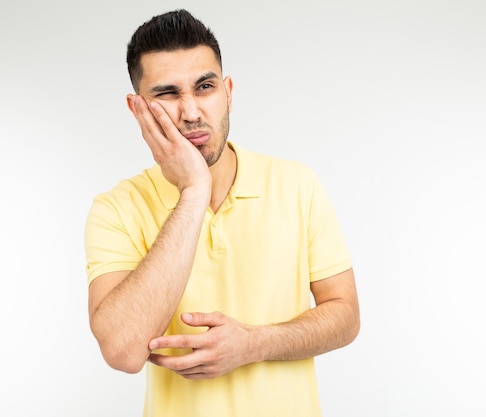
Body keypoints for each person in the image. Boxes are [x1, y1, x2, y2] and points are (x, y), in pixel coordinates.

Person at [84, 8, 360, 417]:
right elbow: (123, 350)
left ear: (228, 90)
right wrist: (193, 191)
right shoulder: (116, 208)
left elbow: (346, 315)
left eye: (205, 87)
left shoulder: (297, 184)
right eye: (167, 94)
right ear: (137, 108)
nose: (191, 111)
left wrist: (255, 343)